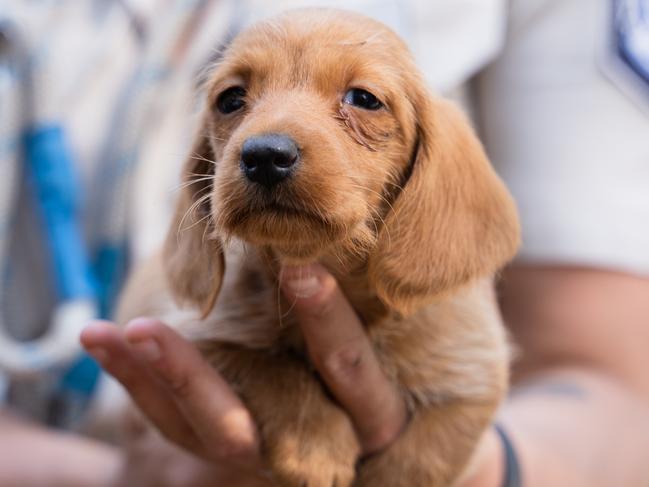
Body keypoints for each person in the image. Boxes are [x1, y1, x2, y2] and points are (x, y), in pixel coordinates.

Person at [3, 0, 649, 486]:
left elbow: (607, 380)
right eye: (234, 100)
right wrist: (122, 476)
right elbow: (203, 337)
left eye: (361, 100)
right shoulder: (225, 282)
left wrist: (478, 469)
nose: (265, 142)